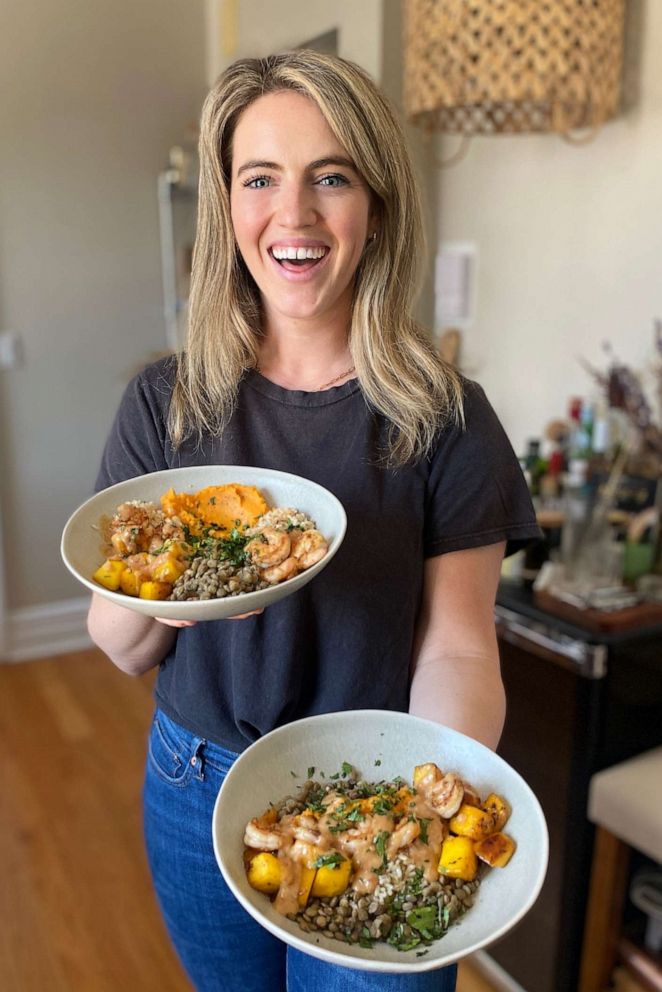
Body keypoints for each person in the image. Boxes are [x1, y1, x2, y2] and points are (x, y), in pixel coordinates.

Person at [88, 51, 540, 992]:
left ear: (374, 206)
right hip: (195, 780)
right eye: (261, 179)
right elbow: (123, 647)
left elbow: (457, 651)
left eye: (330, 176)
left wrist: (423, 801)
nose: (292, 215)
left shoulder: (445, 416)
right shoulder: (166, 401)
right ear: (228, 206)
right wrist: (173, 596)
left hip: (368, 787)